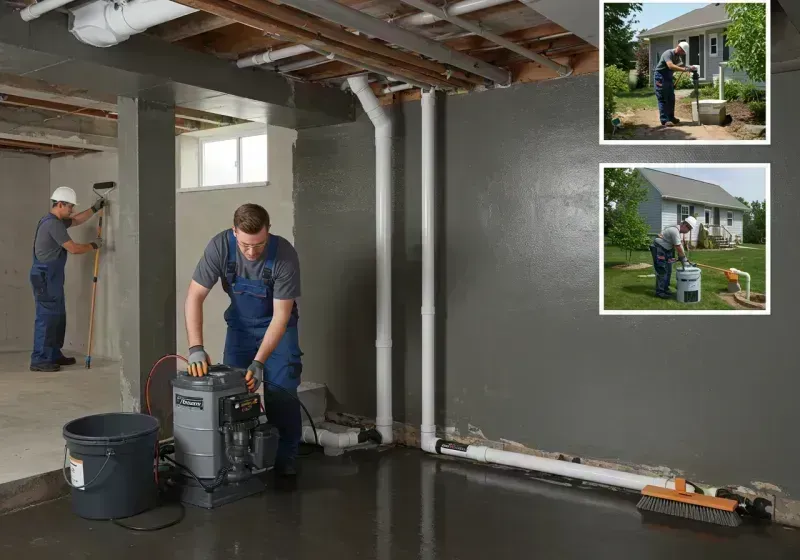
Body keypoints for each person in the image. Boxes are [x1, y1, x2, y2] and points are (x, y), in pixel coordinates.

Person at [184, 203, 302, 476]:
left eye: (258, 245)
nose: (251, 252)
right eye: (245, 245)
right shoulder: (220, 247)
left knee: (281, 392)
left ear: (268, 232)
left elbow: (281, 317)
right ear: (234, 231)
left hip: (278, 329)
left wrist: (259, 361)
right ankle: (237, 460)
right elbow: (194, 296)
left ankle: (285, 461)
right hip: (240, 328)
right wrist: (196, 348)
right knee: (232, 392)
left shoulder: (284, 255)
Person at [30, 187, 104, 372]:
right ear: (60, 204)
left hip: (52, 278)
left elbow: (78, 219)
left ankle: (53, 354)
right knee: (46, 318)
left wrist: (94, 208)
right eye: (70, 206)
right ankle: (39, 359)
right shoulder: (53, 224)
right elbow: (73, 248)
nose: (72, 210)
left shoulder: (57, 221)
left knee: (57, 317)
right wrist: (93, 245)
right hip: (45, 277)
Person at [650, 216, 696, 299]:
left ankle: (665, 289)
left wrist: (683, 257)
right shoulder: (674, 231)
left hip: (666, 250)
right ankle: (660, 292)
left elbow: (679, 246)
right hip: (659, 249)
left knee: (668, 270)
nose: (688, 232)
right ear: (685, 225)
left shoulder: (677, 231)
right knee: (662, 270)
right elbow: (678, 246)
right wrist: (684, 259)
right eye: (689, 230)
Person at [653, 41, 695, 127]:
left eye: (684, 52)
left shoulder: (677, 57)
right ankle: (665, 120)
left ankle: (671, 118)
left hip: (668, 77)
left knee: (671, 98)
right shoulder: (668, 53)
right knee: (663, 98)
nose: (683, 54)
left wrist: (690, 68)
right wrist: (684, 70)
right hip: (660, 77)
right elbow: (670, 66)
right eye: (682, 51)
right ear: (679, 47)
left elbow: (682, 66)